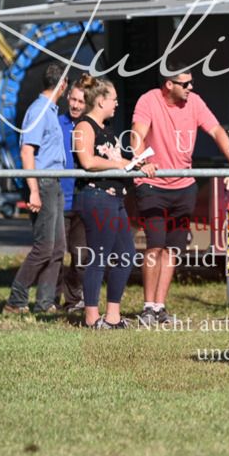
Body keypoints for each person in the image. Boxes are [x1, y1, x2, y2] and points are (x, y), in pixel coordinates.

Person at [131, 68, 229, 327]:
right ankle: (147, 308)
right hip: (151, 185)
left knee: (172, 249)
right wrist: (141, 161)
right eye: (185, 83)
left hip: (184, 187)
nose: (190, 87)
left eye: (191, 82)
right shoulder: (149, 100)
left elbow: (218, 131)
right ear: (168, 85)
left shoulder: (194, 102)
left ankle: (160, 307)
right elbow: (137, 135)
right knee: (154, 245)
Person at [73, 74, 154, 329]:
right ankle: (91, 318)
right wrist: (121, 163)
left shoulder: (107, 129)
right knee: (99, 258)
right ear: (100, 101)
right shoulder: (83, 126)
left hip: (114, 199)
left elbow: (111, 160)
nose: (117, 104)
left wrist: (135, 164)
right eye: (114, 100)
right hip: (96, 198)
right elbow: (87, 161)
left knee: (127, 256)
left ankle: (113, 317)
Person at [4, 63, 69, 315]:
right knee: (44, 246)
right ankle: (16, 300)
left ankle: (45, 303)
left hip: (54, 182)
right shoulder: (39, 111)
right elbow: (27, 151)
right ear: (62, 84)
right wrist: (33, 190)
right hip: (42, 182)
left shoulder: (49, 110)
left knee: (57, 248)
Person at [58, 81, 87, 311]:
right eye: (74, 99)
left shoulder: (93, 127)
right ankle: (50, 301)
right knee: (55, 255)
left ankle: (75, 299)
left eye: (81, 102)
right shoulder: (57, 124)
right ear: (68, 96)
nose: (76, 105)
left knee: (80, 255)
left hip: (83, 200)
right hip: (59, 198)